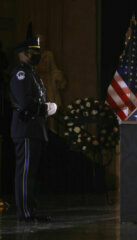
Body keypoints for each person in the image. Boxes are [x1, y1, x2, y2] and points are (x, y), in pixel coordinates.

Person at [10, 23, 57, 222]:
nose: (36, 55)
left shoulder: (32, 74)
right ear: (23, 53)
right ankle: (25, 213)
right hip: (26, 128)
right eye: (33, 52)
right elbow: (26, 104)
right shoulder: (21, 75)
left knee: (31, 175)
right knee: (25, 174)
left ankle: (31, 210)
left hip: (34, 130)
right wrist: (46, 108)